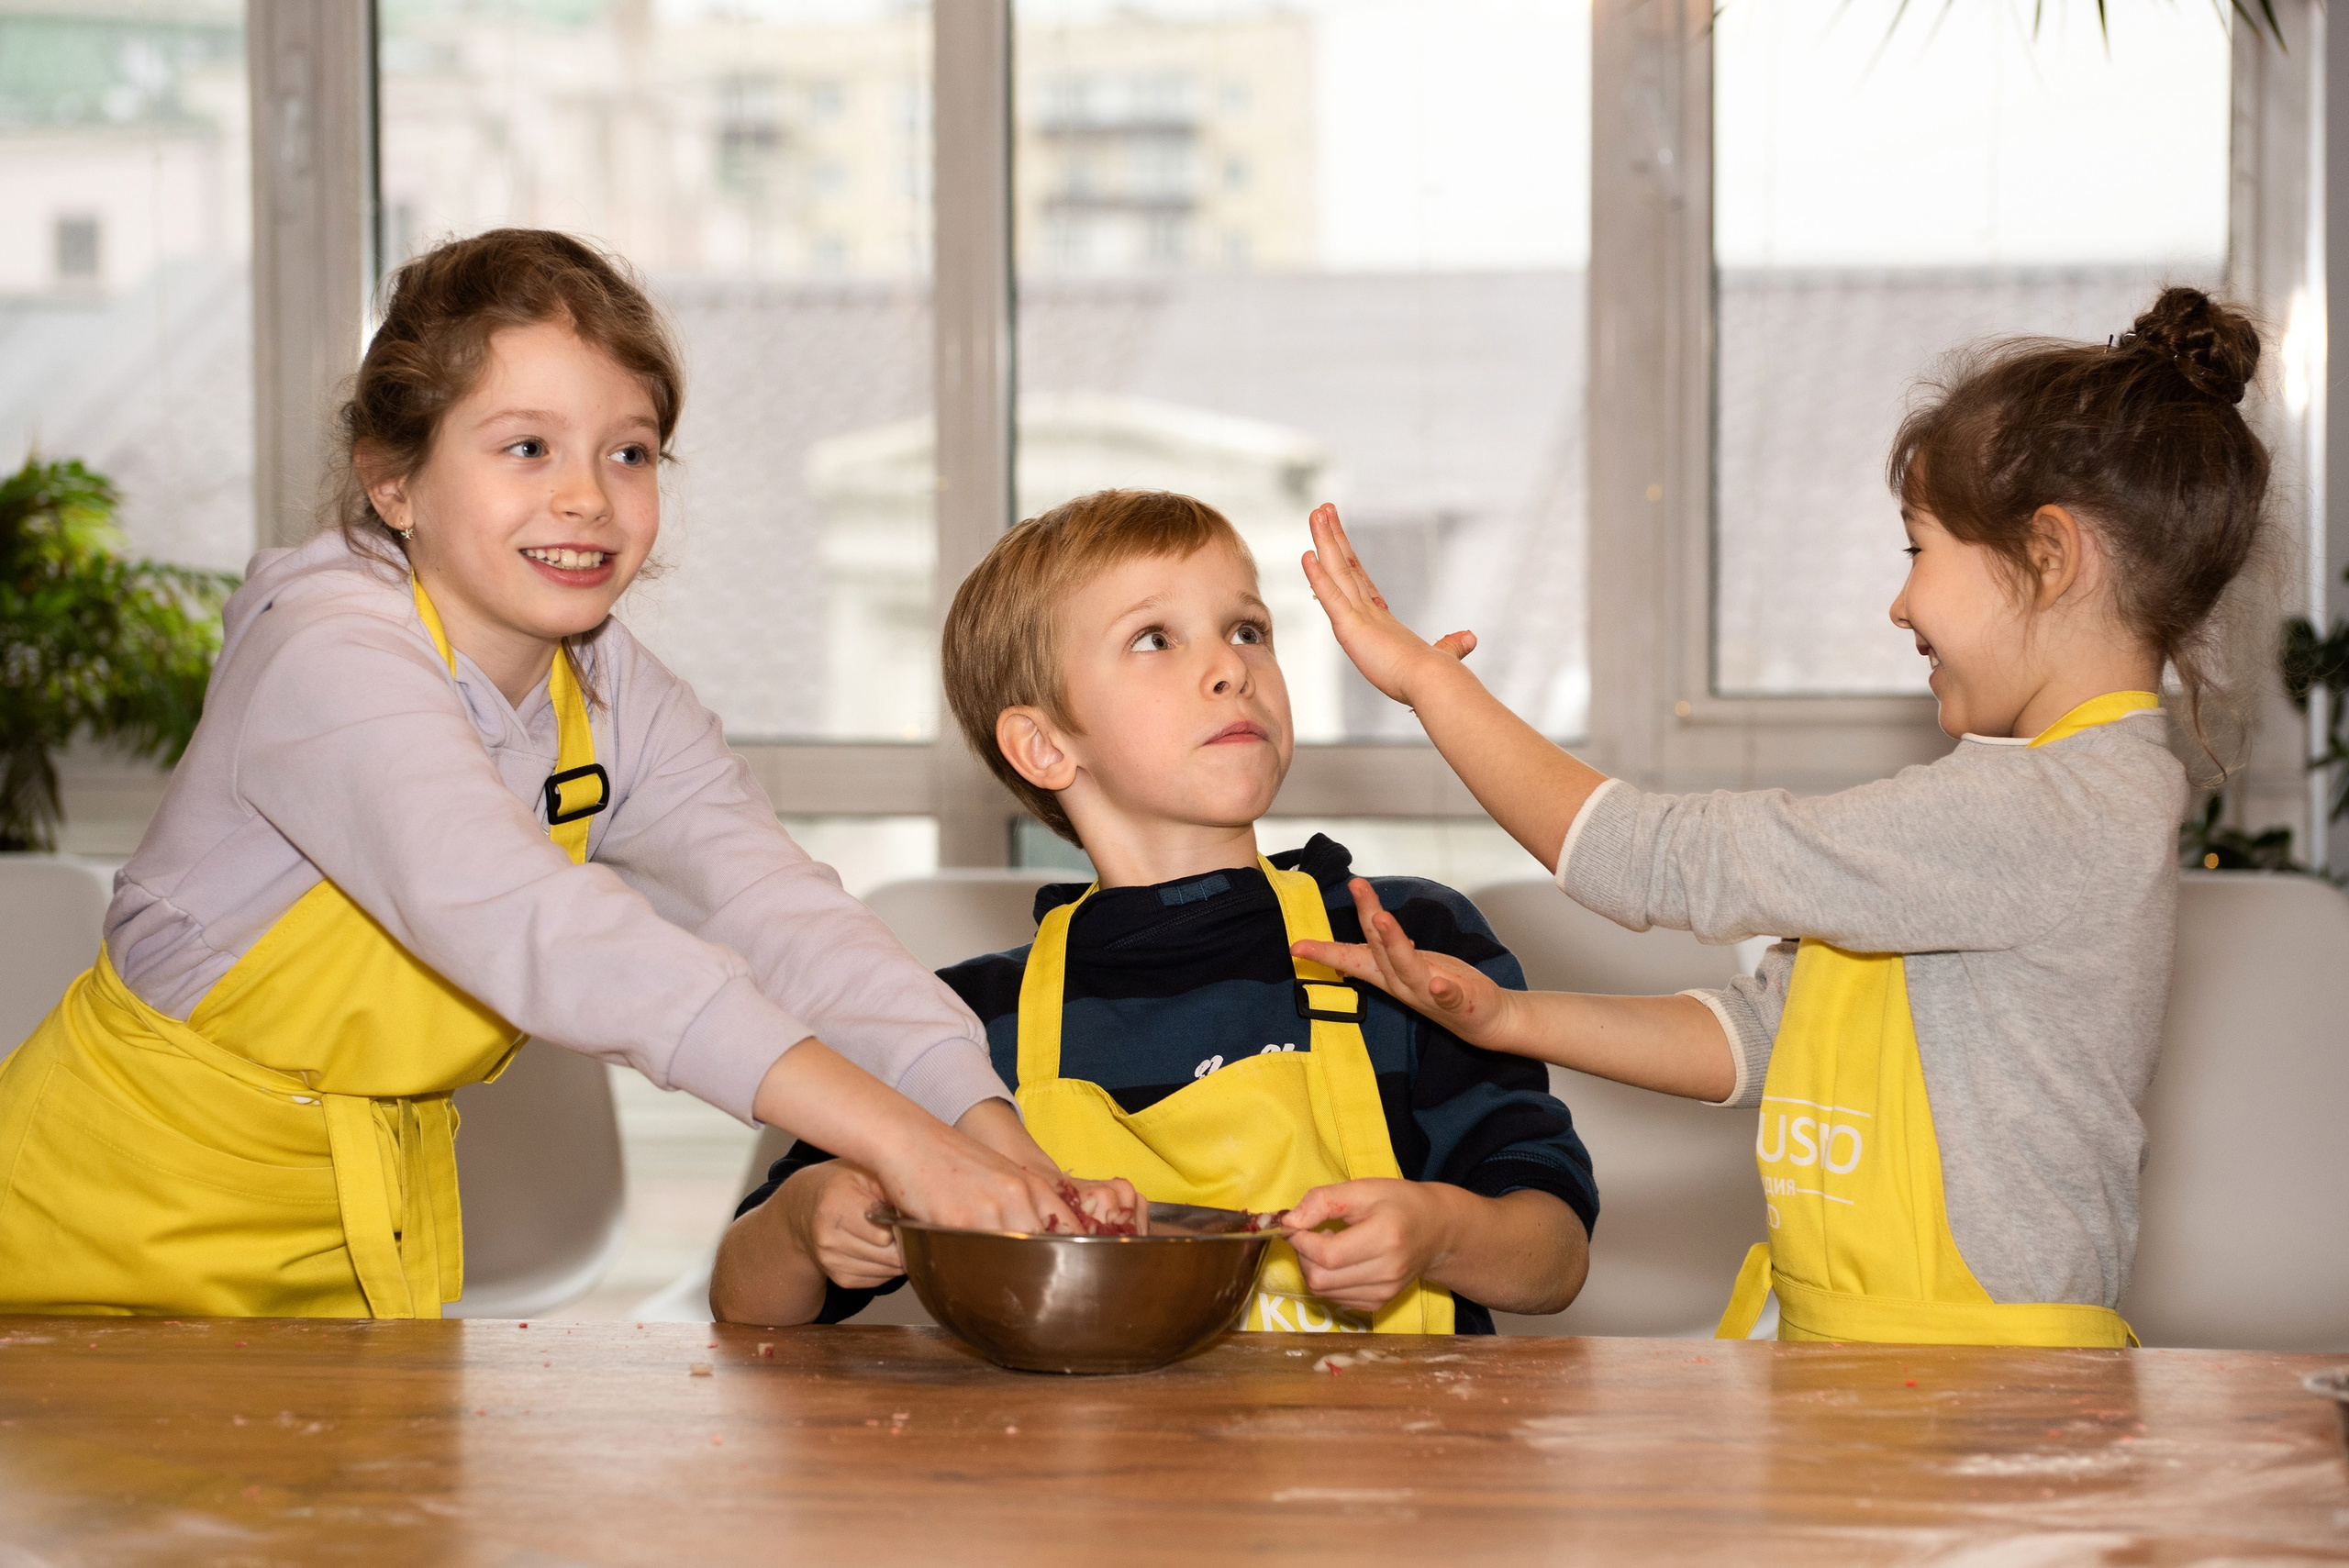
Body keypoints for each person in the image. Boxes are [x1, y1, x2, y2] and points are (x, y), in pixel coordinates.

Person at [0, 228, 1080, 1319]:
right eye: (527, 446)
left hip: (370, 1241)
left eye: (630, 452)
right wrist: (900, 1141)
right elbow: (540, 925)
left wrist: (990, 1131)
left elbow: (782, 915)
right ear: (392, 481)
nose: (588, 497)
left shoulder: (609, 687)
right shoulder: (323, 652)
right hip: (101, 1235)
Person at [1293, 287, 2270, 1347]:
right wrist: (1506, 1019)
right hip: (1871, 1361)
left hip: (1989, 1386)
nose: (1899, 602)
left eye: (1917, 550)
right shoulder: (2010, 816)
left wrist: (1432, 686)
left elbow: (1653, 858)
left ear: (2047, 555)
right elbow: (1764, 1034)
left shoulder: (2046, 814)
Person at [710, 489, 1598, 1332]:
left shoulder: (1403, 944)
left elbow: (1553, 1259)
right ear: (1043, 745)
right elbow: (746, 1300)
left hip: (1386, 1447)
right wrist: (806, 1218)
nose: (1231, 668)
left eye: (1247, 630)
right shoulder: (961, 1030)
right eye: (1154, 638)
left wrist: (1440, 1232)